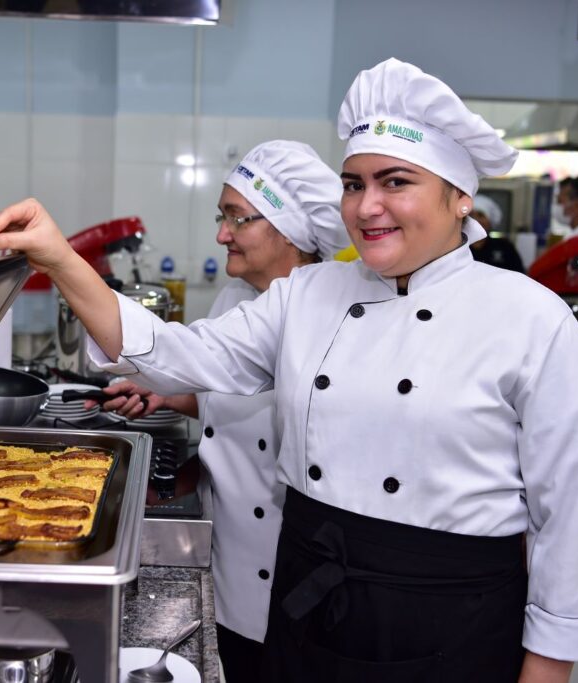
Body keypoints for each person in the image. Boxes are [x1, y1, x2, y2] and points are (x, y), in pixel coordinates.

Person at [0, 58, 578, 683]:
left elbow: (570, 528)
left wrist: (547, 672)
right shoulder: (309, 293)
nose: (367, 207)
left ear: (460, 195)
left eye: (395, 182)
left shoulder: (532, 319)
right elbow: (171, 356)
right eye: (354, 183)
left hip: (447, 619)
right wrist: (59, 257)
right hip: (306, 601)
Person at [95, 140, 350, 683]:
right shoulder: (236, 296)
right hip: (224, 549)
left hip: (285, 575)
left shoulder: (325, 322)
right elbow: (231, 403)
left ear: (289, 231)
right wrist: (170, 400)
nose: (221, 233)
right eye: (222, 215)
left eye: (238, 218)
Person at [469, 193, 526, 273]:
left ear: (490, 221)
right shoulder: (457, 247)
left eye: (481, 215)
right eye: (471, 215)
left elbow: (519, 275)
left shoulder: (504, 247)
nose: (475, 219)